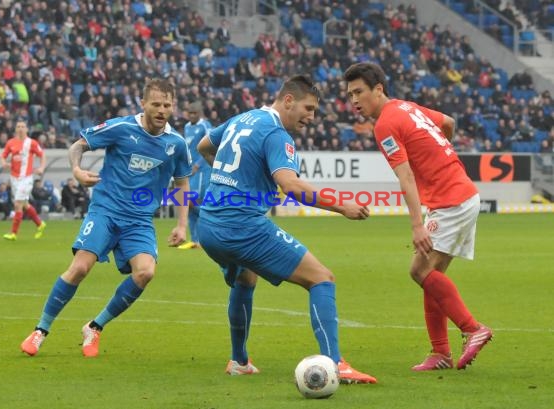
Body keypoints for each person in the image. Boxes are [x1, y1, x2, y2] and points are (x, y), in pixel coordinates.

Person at [197, 75, 377, 384]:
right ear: (288, 101)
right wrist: (343, 207)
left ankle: (239, 361)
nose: (311, 117)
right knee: (322, 278)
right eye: (308, 108)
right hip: (241, 226)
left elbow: (203, 146)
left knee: (245, 277)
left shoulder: (242, 118)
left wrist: (233, 179)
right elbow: (291, 186)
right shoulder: (277, 134)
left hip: (208, 226)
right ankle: (336, 364)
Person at [20, 79, 192, 357]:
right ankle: (41, 329)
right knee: (79, 268)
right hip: (106, 210)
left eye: (167, 105)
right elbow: (78, 145)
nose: (162, 110)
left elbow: (183, 184)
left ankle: (94, 326)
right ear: (143, 103)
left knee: (146, 272)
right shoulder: (121, 128)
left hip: (139, 220)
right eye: (156, 104)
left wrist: (182, 225)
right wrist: (76, 170)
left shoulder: (176, 144)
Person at [344, 62, 493, 371]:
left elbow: (406, 176)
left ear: (378, 89)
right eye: (349, 95)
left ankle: (472, 328)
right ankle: (440, 354)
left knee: (419, 271)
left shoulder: (385, 123)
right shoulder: (407, 107)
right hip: (463, 193)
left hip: (450, 199)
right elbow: (448, 123)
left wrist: (416, 225)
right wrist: (438, 153)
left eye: (359, 92)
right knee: (431, 274)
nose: (354, 101)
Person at [1, 120, 47, 240]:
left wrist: (41, 167)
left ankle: (13, 233)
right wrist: (4, 163)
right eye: (18, 126)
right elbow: (3, 155)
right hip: (14, 178)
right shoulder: (10, 142)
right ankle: (40, 224)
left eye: (22, 126)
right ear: (16, 129)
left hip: (26, 178)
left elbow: (42, 155)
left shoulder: (31, 143)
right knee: (24, 204)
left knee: (17, 204)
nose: (20, 128)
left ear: (26, 129)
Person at [178, 101, 212, 249]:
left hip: (203, 171)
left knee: (192, 201)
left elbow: (210, 147)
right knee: (189, 203)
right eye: (189, 113)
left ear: (199, 113)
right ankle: (196, 240)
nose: (191, 115)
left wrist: (198, 164)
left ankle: (212, 223)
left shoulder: (205, 126)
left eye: (194, 113)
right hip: (190, 170)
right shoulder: (186, 127)